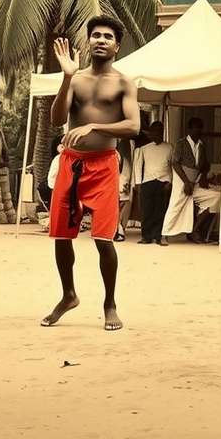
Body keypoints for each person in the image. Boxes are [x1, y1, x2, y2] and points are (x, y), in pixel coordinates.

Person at [41, 17, 140, 332]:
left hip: (104, 165)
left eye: (107, 36)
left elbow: (133, 127)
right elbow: (58, 119)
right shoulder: (77, 79)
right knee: (60, 234)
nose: (100, 40)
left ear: (116, 45)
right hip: (72, 163)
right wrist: (66, 78)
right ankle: (68, 295)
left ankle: (110, 303)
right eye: (95, 35)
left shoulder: (124, 83)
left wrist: (94, 125)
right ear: (89, 41)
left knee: (103, 238)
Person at [161, 117, 221, 244]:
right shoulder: (181, 143)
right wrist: (186, 182)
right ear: (189, 129)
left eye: (200, 128)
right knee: (176, 205)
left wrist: (203, 177)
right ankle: (164, 235)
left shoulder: (201, 145)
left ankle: (194, 230)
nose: (198, 130)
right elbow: (175, 163)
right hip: (181, 178)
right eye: (195, 127)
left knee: (215, 197)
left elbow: (205, 165)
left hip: (195, 180)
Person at [133, 121, 172, 246]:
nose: (156, 134)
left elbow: (172, 167)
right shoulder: (144, 149)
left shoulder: (169, 147)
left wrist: (170, 182)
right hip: (147, 182)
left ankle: (158, 236)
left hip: (163, 182)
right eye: (154, 132)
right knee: (147, 211)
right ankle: (146, 236)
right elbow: (138, 166)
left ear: (162, 132)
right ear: (150, 133)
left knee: (161, 211)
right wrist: (138, 183)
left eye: (159, 132)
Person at [115, 137, 135, 242]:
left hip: (123, 178)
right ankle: (119, 229)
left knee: (123, 203)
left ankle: (120, 229)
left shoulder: (127, 143)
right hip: (119, 177)